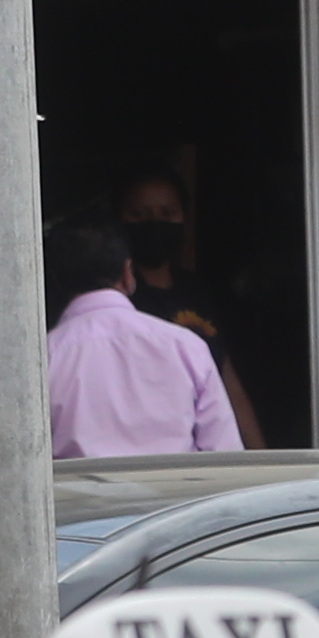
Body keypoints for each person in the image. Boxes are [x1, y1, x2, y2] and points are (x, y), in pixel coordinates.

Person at [46, 217, 239, 460]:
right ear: (128, 273)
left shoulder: (45, 357)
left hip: (77, 497)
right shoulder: (186, 346)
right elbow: (225, 455)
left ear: (54, 279)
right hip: (180, 496)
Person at [109, 164, 262, 449]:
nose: (155, 223)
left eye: (168, 214)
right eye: (139, 215)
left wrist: (261, 459)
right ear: (119, 219)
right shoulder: (117, 302)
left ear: (184, 218)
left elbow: (228, 382)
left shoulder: (199, 291)